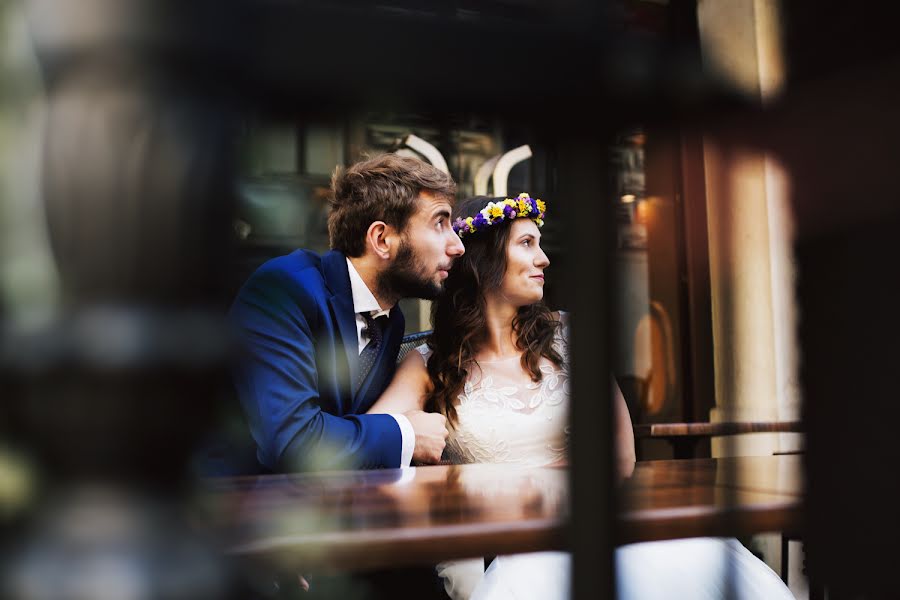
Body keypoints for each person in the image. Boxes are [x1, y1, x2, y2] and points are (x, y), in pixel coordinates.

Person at [368, 194, 795, 600]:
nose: (544, 259)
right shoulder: (429, 363)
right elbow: (374, 441)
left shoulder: (571, 337)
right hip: (516, 544)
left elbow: (621, 455)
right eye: (527, 244)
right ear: (485, 259)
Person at [229, 153, 463, 474]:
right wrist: (406, 433)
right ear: (381, 239)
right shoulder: (283, 290)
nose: (457, 246)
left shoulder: (391, 320)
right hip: (237, 506)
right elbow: (292, 442)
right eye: (440, 223)